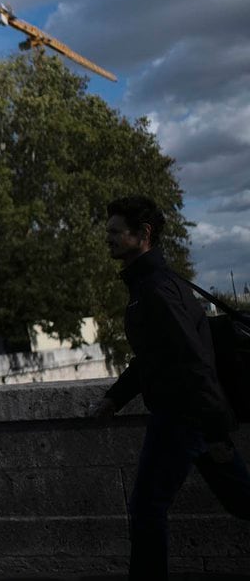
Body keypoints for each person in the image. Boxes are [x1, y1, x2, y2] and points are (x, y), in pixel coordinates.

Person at [90, 196, 250, 580]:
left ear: (142, 235)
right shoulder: (150, 285)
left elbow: (193, 362)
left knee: (147, 508)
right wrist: (115, 397)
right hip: (191, 418)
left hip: (183, 419)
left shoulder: (157, 290)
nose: (107, 238)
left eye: (115, 232)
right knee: (241, 500)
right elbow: (153, 355)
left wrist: (213, 430)